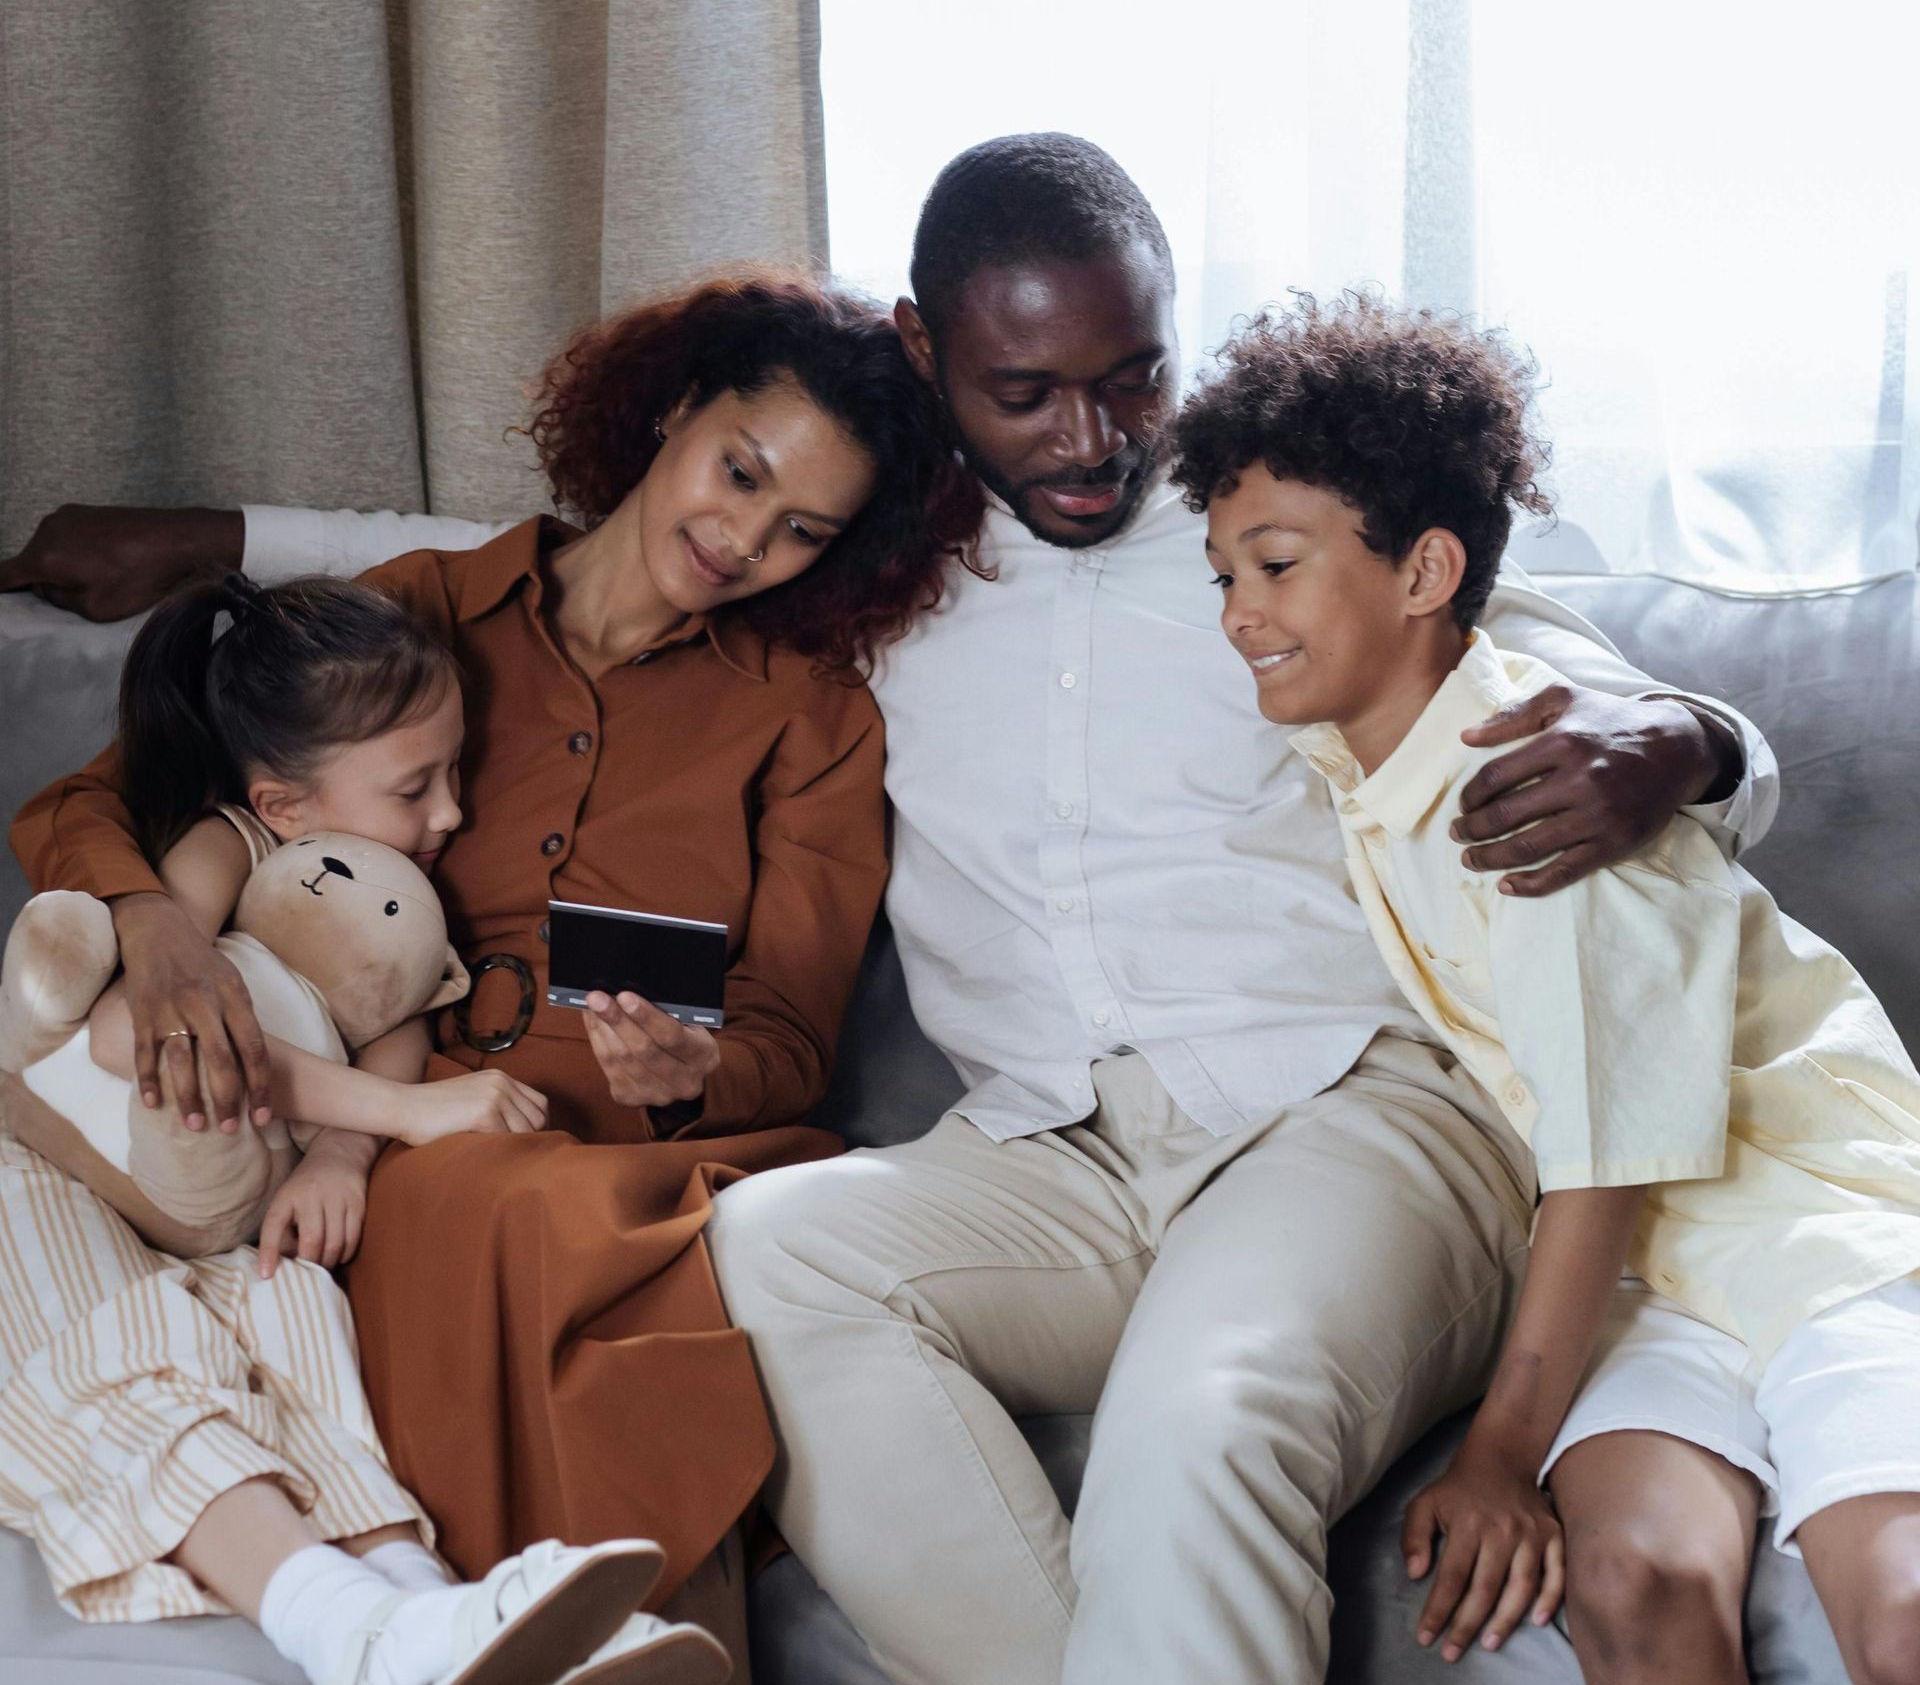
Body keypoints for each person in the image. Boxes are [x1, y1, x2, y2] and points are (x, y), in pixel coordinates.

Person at [6, 137, 1776, 1685]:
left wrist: (1689, 737)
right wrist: (225, 532)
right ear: (933, 356)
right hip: (1053, 1151)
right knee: (769, 1256)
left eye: (1133, 377)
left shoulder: (1263, 517)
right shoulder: (877, 574)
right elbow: (542, 551)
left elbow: (1554, 665)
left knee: (1198, 1406)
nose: (1096, 440)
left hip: (1338, 1105)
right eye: (1029, 394)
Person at [10, 273, 982, 1672]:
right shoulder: (419, 611)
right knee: (463, 1204)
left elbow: (787, 1034)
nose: (742, 538)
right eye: (739, 471)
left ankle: (607, 1631)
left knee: (547, 1221)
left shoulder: (811, 721)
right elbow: (94, 805)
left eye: (799, 531)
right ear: (674, 410)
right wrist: (156, 929)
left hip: (633, 1143)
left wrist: (693, 1070)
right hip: (390, 1117)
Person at [1176, 289, 1920, 1685]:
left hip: (1828, 1217)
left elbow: (1606, 1156)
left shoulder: (1532, 785)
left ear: (1425, 571)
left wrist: (1504, 1451)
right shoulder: (1360, 758)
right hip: (1660, 1272)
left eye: (1274, 566)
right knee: (1635, 1581)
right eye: (1222, 575)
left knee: (1903, 1609)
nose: (1239, 616)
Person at [0, 571, 728, 1685]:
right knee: (134, 1346)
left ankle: (431, 1609)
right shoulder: (223, 848)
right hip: (46, 1167)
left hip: (218, 1204)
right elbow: (130, 1034)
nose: (453, 813)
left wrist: (343, 1152)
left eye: (457, 771)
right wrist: (403, 1112)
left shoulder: (381, 892)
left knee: (297, 1318)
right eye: (416, 785)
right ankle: (346, 1628)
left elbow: (397, 1018)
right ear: (286, 803)